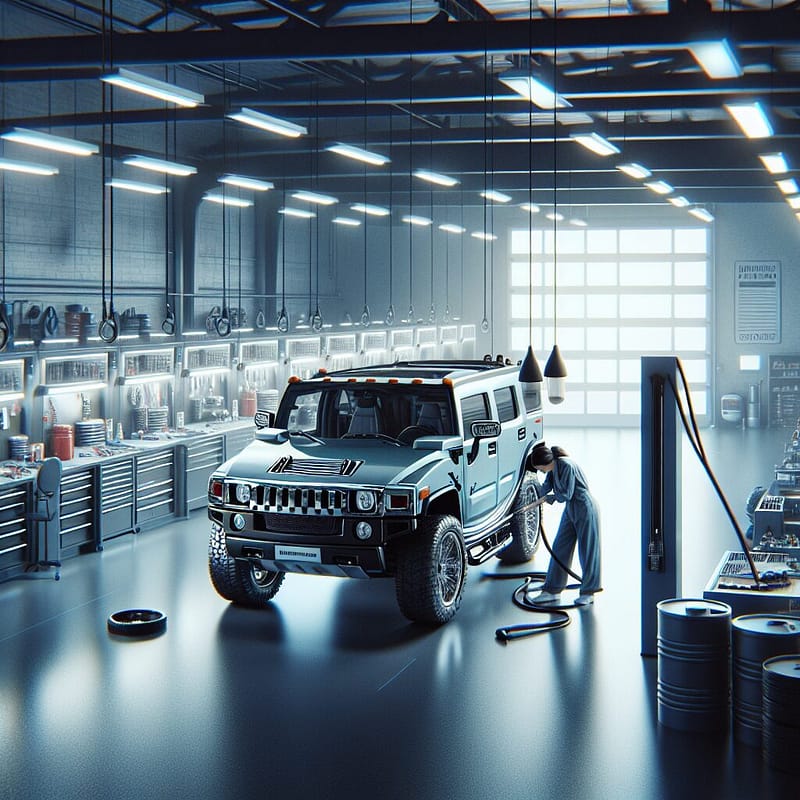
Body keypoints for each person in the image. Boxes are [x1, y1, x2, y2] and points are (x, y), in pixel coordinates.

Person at [528, 442, 602, 606]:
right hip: (571, 510)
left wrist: (548, 499)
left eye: (540, 469)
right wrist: (531, 497)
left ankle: (588, 592)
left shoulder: (566, 465)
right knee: (560, 546)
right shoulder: (553, 468)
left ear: (546, 463)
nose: (541, 471)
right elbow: (546, 487)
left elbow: (565, 495)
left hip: (585, 508)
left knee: (587, 551)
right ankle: (552, 590)